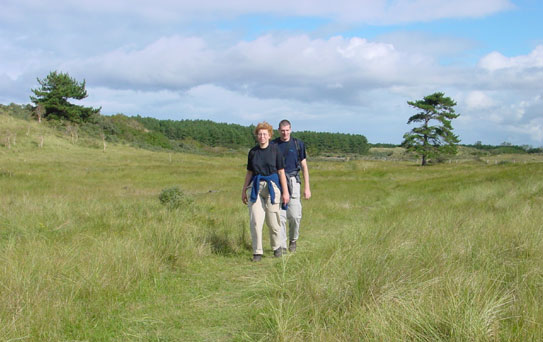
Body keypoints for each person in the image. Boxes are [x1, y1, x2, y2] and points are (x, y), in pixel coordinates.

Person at [242, 122, 290, 262]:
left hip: (272, 187)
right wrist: (244, 190)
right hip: (256, 187)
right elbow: (249, 173)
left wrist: (285, 192)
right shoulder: (253, 152)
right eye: (260, 134)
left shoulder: (276, 151)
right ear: (257, 136)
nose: (262, 136)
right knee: (256, 220)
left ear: (269, 135)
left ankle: (277, 248)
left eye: (265, 134)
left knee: (273, 221)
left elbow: (281, 172)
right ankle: (257, 252)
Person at [272, 119, 311, 253]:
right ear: (278, 131)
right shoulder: (273, 144)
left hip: (293, 181)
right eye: (282, 131)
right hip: (277, 181)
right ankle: (282, 245)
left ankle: (293, 240)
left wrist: (307, 187)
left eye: (287, 130)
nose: (285, 133)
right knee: (280, 216)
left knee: (294, 215)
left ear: (291, 130)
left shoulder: (298, 144)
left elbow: (304, 166)